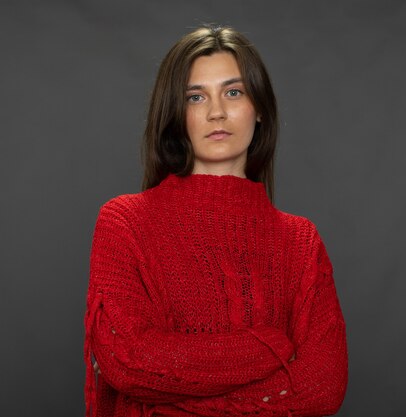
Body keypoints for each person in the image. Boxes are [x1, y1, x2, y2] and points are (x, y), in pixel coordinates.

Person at [84, 25, 348, 417]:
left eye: (234, 92)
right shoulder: (125, 221)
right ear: (175, 114)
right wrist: (269, 346)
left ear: (259, 109)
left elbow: (322, 386)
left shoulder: (300, 241)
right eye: (195, 97)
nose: (216, 112)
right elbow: (127, 360)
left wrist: (173, 404)